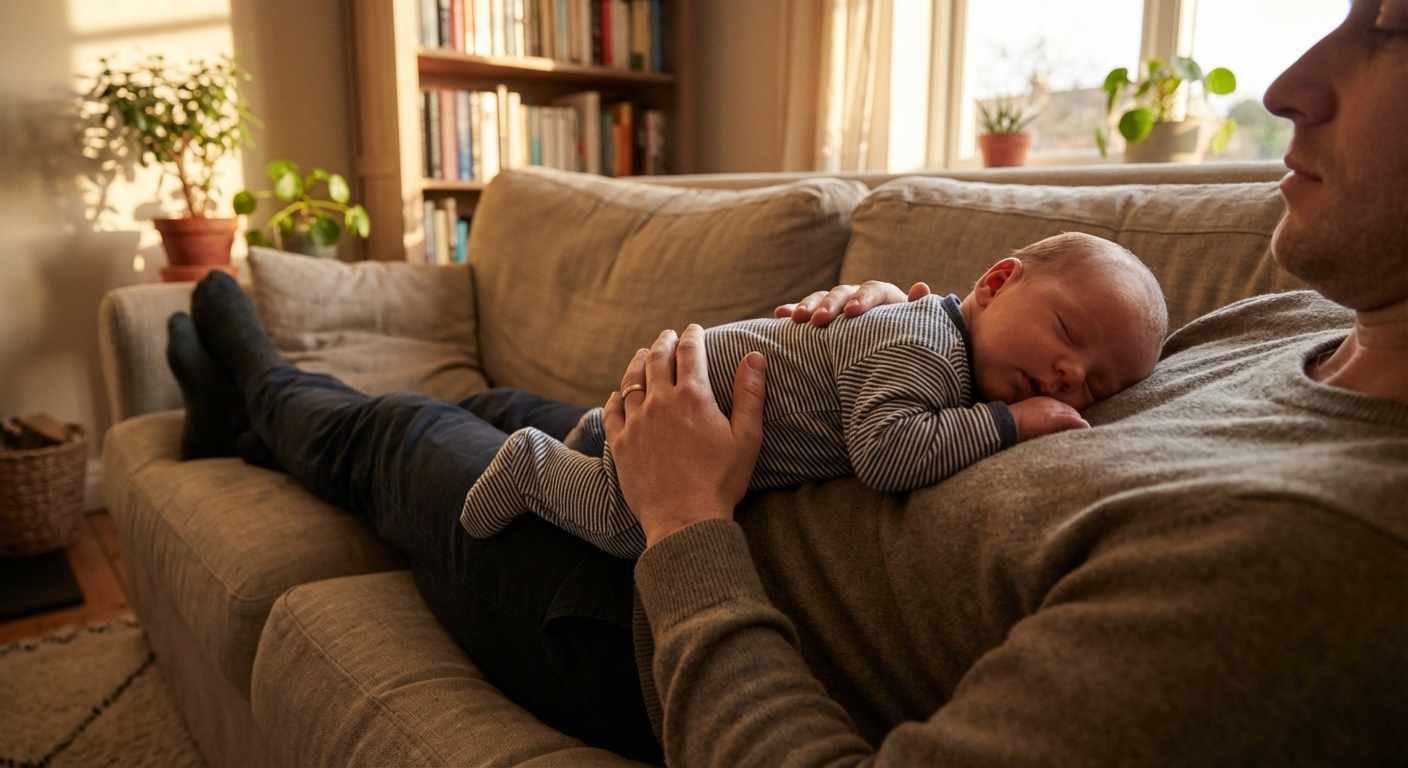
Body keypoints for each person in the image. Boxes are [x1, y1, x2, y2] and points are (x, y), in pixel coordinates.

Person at [166, 0, 1405, 763]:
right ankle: (243, 404)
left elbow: (1029, 404)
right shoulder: (1288, 318)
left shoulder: (1312, 557)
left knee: (392, 435)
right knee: (484, 407)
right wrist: (887, 316)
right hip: (694, 454)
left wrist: (684, 525)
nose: (1287, 83)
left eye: (1391, 20)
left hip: (636, 592)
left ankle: (256, 378)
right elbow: (1055, 389)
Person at [460, 233, 1166, 559]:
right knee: (622, 527)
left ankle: (572, 436)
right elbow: (886, 454)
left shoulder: (930, 339)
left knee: (591, 446)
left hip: (674, 398)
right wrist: (1009, 423)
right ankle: (531, 464)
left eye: (1101, 382)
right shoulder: (923, 346)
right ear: (995, 282)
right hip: (686, 412)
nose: (1073, 375)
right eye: (1067, 332)